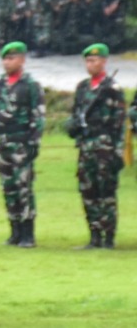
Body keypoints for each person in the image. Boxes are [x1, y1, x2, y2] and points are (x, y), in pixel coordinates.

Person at [0, 40, 45, 246]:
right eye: (5, 58)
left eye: (11, 58)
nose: (7, 62)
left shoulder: (30, 85)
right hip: (3, 142)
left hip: (22, 142)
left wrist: (33, 143)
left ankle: (28, 232)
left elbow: (38, 116)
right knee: (8, 187)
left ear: (22, 59)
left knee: (23, 187)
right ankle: (15, 230)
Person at [69, 43, 125, 249]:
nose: (90, 64)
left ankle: (108, 235)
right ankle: (94, 235)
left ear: (104, 62)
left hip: (105, 145)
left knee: (106, 191)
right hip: (86, 144)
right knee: (88, 190)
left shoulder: (112, 89)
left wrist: (117, 151)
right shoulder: (82, 87)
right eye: (88, 61)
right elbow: (76, 114)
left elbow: (119, 123)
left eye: (94, 60)